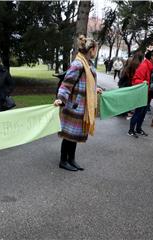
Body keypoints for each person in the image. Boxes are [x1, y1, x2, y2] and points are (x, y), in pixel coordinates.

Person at [53, 35, 102, 171]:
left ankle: (71, 159)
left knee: (75, 136)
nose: (96, 52)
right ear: (91, 49)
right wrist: (61, 99)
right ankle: (63, 161)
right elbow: (66, 84)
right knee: (69, 135)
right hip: (74, 106)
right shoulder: (78, 64)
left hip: (82, 106)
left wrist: (94, 89)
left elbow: (86, 82)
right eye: (95, 49)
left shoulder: (87, 63)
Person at [128, 46, 153, 138]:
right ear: (152, 57)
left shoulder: (152, 67)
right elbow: (135, 80)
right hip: (142, 94)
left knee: (143, 113)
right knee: (138, 112)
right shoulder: (144, 66)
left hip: (148, 94)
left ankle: (138, 129)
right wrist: (142, 82)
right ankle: (131, 130)